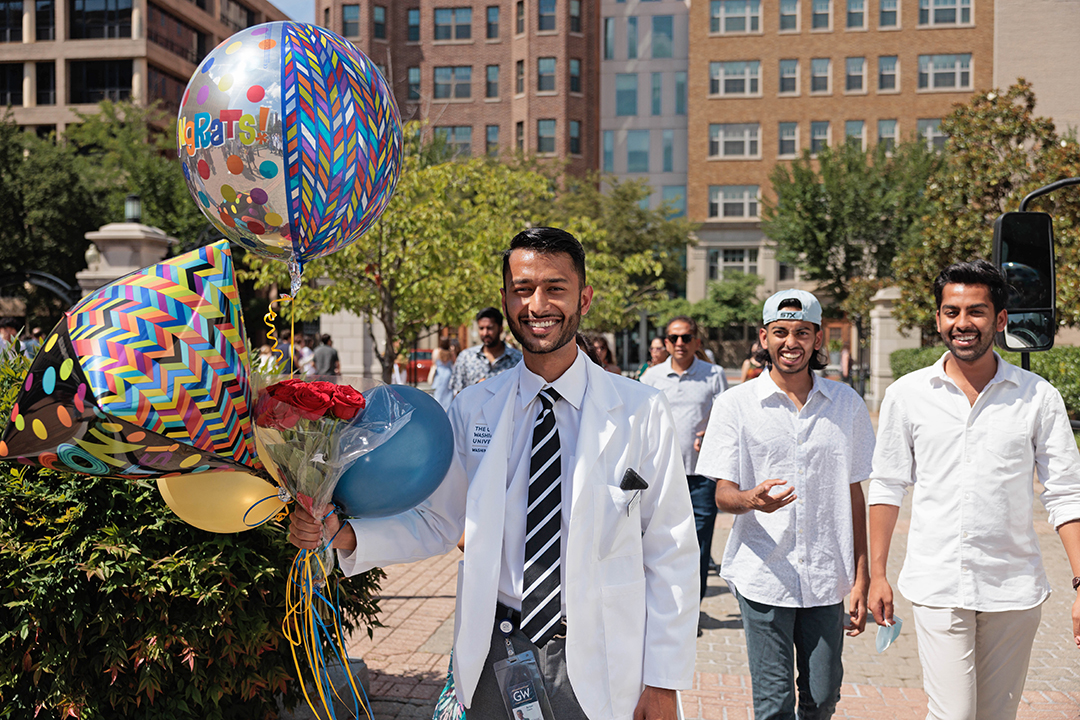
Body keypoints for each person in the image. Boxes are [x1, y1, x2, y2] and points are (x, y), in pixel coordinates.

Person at [289, 227, 699, 719]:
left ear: (584, 298)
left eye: (555, 288)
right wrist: (344, 534)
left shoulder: (641, 410)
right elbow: (439, 521)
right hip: (496, 651)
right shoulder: (474, 408)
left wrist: (662, 681)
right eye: (523, 289)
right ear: (505, 300)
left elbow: (671, 551)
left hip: (603, 656)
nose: (538, 303)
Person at [867, 260, 1080, 720]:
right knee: (954, 715)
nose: (962, 323)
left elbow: (1065, 493)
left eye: (977, 311)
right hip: (937, 582)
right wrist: (878, 574)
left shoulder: (1038, 397)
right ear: (939, 318)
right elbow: (886, 485)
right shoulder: (907, 394)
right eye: (951, 311)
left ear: (1000, 320)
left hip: (1014, 587)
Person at [697, 289, 873, 720]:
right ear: (764, 337)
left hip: (828, 577)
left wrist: (862, 578)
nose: (791, 342)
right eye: (780, 332)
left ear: (817, 340)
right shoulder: (735, 404)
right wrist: (751, 499)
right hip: (763, 575)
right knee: (774, 704)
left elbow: (855, 494)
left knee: (823, 694)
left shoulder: (846, 403)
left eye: (802, 332)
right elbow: (722, 493)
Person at [641, 316, 728, 605]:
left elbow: (728, 418)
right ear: (666, 342)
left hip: (702, 476)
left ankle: (693, 609)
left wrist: (713, 430)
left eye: (686, 337)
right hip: (661, 476)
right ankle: (663, 605)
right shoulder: (650, 378)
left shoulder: (714, 374)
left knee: (699, 547)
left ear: (697, 342)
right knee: (661, 544)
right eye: (674, 338)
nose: (680, 343)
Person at [449, 307, 523, 395]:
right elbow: (457, 395)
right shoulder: (466, 358)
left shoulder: (517, 360)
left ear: (500, 329)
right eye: (481, 328)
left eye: (489, 328)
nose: (485, 333)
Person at [428, 337, 455, 410]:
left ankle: (437, 407)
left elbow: (433, 362)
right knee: (448, 392)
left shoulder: (437, 351)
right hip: (448, 373)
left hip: (439, 373)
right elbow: (454, 361)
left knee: (438, 391)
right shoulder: (451, 352)